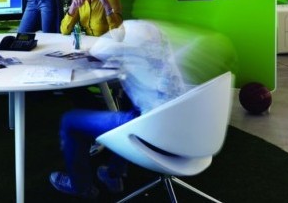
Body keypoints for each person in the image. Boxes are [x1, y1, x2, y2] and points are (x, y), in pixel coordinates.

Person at [49, 21, 187, 198]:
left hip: (154, 130)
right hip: (185, 126)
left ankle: (80, 186)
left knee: (70, 121)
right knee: (131, 108)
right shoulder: (161, 36)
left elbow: (97, 50)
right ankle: (114, 174)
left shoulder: (130, 37)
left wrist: (116, 33)